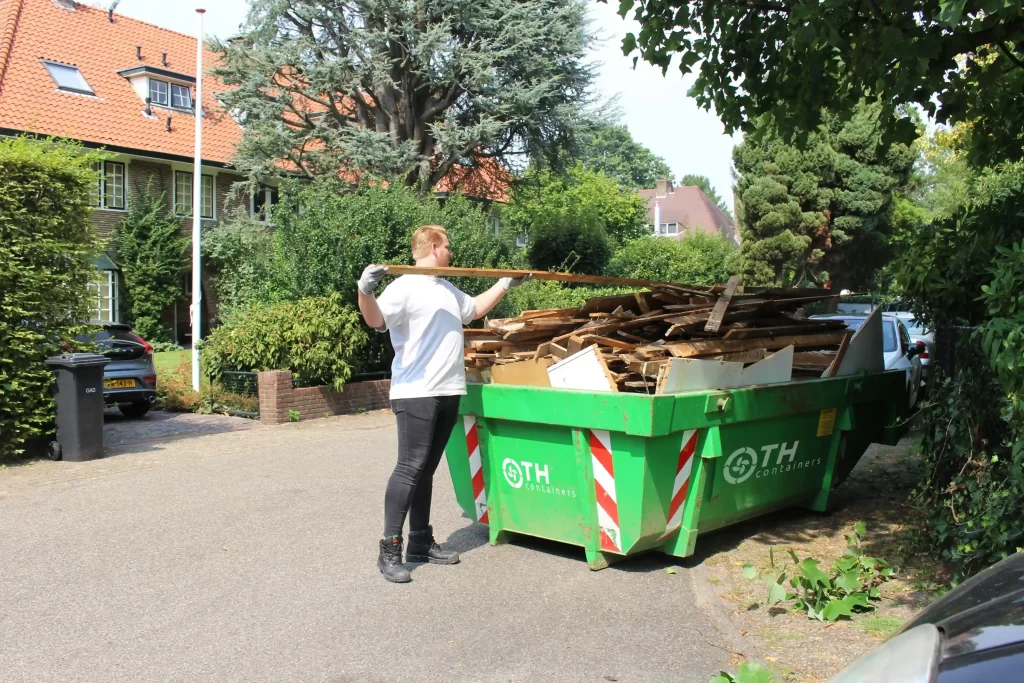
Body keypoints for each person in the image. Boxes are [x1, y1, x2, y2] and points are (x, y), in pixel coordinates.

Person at [357, 225, 531, 583]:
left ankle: (420, 541)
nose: (452, 252)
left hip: (449, 389)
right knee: (409, 468)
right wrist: (365, 290)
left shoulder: (445, 288)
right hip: (416, 392)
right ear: (434, 247)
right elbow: (375, 320)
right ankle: (389, 548)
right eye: (448, 246)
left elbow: (473, 309)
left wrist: (504, 284)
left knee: (426, 470)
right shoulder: (403, 286)